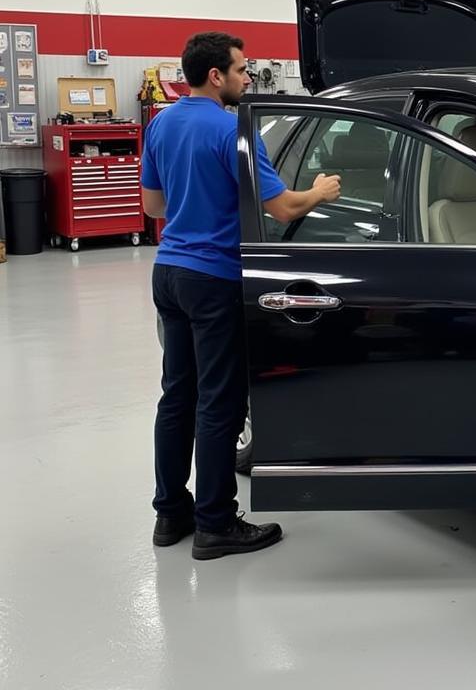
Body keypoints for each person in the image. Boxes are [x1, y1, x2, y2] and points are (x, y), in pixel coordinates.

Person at [142, 32, 341, 560]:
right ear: (217, 76)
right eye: (241, 69)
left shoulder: (162, 122)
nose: (247, 77)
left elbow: (154, 206)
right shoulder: (234, 132)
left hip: (168, 274)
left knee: (176, 396)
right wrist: (319, 192)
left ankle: (170, 512)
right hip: (213, 278)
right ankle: (216, 524)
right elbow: (283, 210)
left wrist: (195, 200)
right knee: (219, 403)